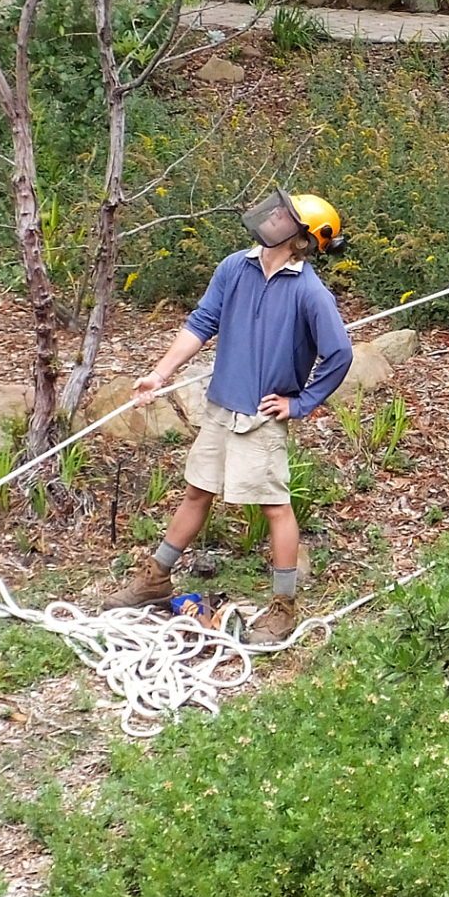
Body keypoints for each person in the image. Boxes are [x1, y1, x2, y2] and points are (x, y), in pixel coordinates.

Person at [104, 189, 353, 644]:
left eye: (286, 216)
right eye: (277, 210)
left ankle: (283, 606)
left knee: (274, 506)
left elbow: (339, 354)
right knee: (197, 491)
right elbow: (201, 323)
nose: (273, 217)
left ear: (303, 238)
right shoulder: (235, 267)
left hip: (259, 417)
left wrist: (300, 403)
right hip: (221, 406)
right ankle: (156, 579)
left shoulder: (310, 292)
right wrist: (158, 374)